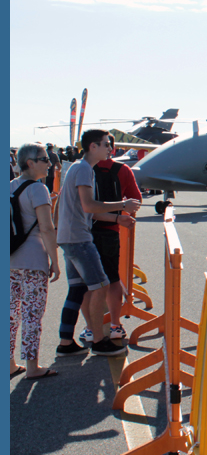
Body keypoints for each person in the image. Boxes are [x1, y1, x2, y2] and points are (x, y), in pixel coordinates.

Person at [55, 130, 140, 358]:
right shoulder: (84, 169)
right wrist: (122, 206)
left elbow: (67, 204)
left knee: (77, 289)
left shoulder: (75, 167)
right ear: (93, 146)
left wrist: (56, 232)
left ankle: (65, 342)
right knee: (101, 285)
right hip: (79, 238)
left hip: (68, 237)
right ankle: (98, 339)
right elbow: (89, 206)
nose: (110, 149)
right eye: (106, 145)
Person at [76, 154, 143, 346]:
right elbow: (136, 200)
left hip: (83, 231)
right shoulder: (122, 170)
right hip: (110, 232)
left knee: (86, 283)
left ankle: (89, 328)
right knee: (113, 279)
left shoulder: (81, 170)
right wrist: (121, 212)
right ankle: (115, 324)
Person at [10, 143, 61, 379]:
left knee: (10, 314)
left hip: (10, 259)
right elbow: (47, 228)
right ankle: (32, 366)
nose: (49, 163)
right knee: (32, 314)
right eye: (44, 159)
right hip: (33, 260)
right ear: (30, 163)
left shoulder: (10, 187)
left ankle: (9, 363)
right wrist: (55, 261)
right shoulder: (38, 189)